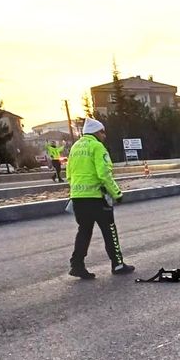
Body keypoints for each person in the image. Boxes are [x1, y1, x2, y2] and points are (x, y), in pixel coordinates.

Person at [67, 118, 134, 279]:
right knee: (109, 230)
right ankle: (117, 264)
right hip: (97, 198)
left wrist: (77, 192)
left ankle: (77, 265)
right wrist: (117, 194)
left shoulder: (75, 147)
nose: (104, 135)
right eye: (102, 132)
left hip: (78, 198)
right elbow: (104, 174)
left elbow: (69, 174)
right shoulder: (97, 147)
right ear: (96, 132)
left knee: (84, 231)